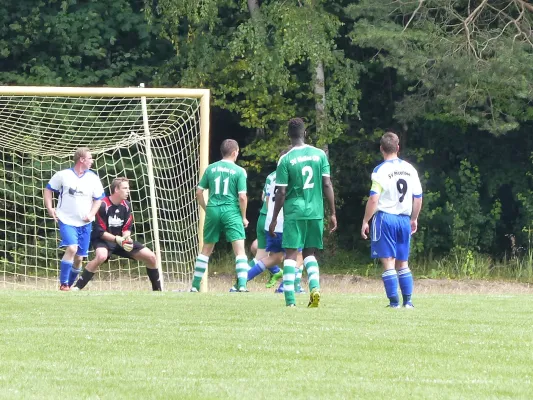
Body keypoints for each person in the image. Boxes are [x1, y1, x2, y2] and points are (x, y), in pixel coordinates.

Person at [269, 118, 337, 307]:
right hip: (315, 211)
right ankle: (314, 288)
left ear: (288, 135)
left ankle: (290, 301)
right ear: (305, 133)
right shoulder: (319, 155)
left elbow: (281, 192)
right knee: (309, 254)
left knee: (291, 254)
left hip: (295, 212)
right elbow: (327, 184)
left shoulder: (286, 159)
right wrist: (332, 213)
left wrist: (274, 219)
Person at [360, 131, 423, 308]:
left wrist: (366, 220)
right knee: (403, 262)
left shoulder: (380, 171)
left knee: (388, 261)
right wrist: (414, 218)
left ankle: (394, 303)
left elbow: (374, 199)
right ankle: (408, 302)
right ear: (398, 148)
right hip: (404, 219)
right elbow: (418, 198)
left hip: (385, 218)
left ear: (381, 149)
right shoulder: (410, 169)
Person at [72, 177, 161, 291]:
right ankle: (77, 287)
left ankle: (157, 291)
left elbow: (127, 227)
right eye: (125, 188)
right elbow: (100, 232)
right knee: (101, 256)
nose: (128, 191)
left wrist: (126, 237)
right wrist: (117, 239)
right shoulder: (103, 205)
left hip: (121, 241)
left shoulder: (126, 205)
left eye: (128, 188)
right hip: (103, 240)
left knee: (151, 257)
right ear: (116, 190)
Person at [191, 139, 249, 292]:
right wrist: (243, 217)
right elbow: (242, 197)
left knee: (206, 249)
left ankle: (195, 286)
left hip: (213, 210)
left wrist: (207, 208)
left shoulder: (210, 168)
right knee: (239, 250)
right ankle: (242, 285)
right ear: (235, 152)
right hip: (231, 211)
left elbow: (198, 192)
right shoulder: (239, 171)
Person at [44, 147, 105, 291]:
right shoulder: (63, 175)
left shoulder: (93, 178)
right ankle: (64, 283)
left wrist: (91, 214)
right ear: (82, 159)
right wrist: (50, 207)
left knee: (79, 258)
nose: (92, 161)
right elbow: (48, 189)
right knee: (72, 248)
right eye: (90, 158)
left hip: (85, 223)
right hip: (66, 220)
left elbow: (99, 199)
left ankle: (69, 286)